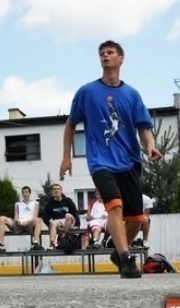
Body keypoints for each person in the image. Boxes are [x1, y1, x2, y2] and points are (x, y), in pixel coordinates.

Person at [60, 40, 162, 279]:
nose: (105, 56)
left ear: (121, 59)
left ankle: (118, 251)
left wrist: (150, 146)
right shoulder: (86, 92)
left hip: (129, 162)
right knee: (115, 207)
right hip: (101, 162)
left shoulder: (131, 94)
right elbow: (70, 124)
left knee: (137, 219)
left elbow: (144, 126)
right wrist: (66, 156)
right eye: (102, 53)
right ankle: (126, 261)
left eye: (110, 52)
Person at [0, 186, 43, 252]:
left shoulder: (35, 203)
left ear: (30, 193)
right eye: (23, 192)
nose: (24, 194)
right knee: (2, 218)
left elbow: (34, 217)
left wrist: (27, 222)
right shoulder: (17, 204)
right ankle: (1, 244)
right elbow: (16, 217)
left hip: (30, 226)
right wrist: (18, 221)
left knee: (38, 220)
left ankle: (35, 243)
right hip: (18, 225)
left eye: (26, 192)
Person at [41, 183, 79, 248]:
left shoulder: (68, 200)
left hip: (69, 220)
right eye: (55, 189)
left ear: (61, 190)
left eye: (58, 189)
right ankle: (52, 243)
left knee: (67, 215)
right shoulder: (50, 203)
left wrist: (77, 225)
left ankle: (64, 235)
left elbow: (75, 212)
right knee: (53, 223)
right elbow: (45, 218)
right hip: (58, 221)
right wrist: (50, 225)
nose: (57, 191)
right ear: (52, 191)